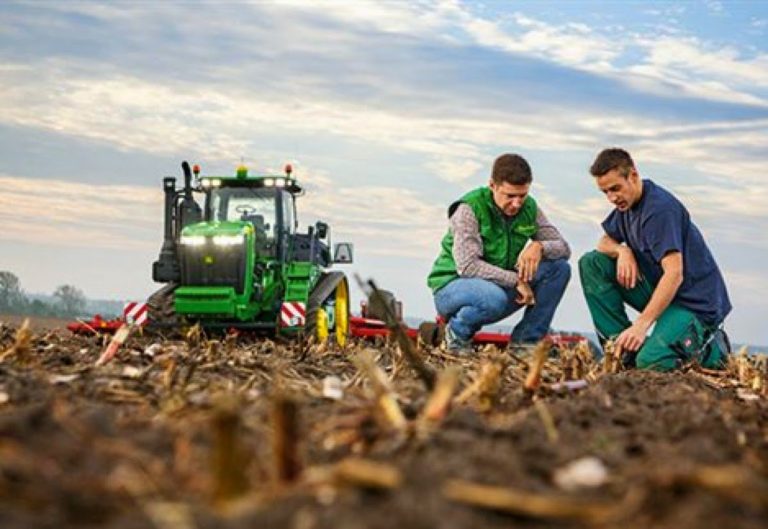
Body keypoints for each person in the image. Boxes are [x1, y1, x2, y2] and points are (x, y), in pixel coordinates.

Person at [579, 148, 731, 371]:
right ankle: (621, 351)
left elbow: (674, 273)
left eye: (615, 189)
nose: (612, 198)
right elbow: (603, 242)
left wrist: (641, 325)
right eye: (605, 192)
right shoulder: (626, 206)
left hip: (694, 304)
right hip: (662, 292)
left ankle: (712, 350)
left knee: (651, 361)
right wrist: (622, 252)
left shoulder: (659, 210)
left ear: (633, 176)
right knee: (592, 263)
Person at [427, 153, 571, 353]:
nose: (517, 203)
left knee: (559, 268)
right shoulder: (469, 209)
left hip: (498, 286)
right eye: (510, 196)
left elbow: (563, 248)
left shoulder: (529, 208)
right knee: (492, 298)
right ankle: (456, 335)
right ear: (492, 185)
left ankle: (525, 343)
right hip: (452, 288)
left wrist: (539, 246)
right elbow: (468, 266)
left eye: (522, 195)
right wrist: (516, 280)